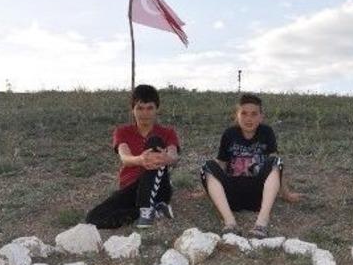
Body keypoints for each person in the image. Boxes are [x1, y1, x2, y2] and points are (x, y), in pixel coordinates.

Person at [86, 84, 180, 229]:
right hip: (132, 187)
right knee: (94, 218)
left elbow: (174, 156)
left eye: (150, 108)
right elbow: (125, 158)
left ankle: (148, 210)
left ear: (157, 109)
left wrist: (167, 158)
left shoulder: (167, 132)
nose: (145, 113)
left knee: (155, 142)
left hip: (159, 187)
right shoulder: (122, 131)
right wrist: (140, 160)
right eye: (140, 108)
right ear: (132, 110)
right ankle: (149, 210)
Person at [200, 94, 290, 239]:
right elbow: (221, 164)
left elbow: (276, 167)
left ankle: (261, 223)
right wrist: (206, 190)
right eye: (244, 113)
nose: (249, 119)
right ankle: (230, 223)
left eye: (254, 114)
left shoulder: (266, 132)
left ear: (261, 117)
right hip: (231, 195)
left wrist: (286, 193)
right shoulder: (229, 134)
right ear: (237, 115)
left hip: (258, 195)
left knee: (276, 161)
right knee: (207, 165)